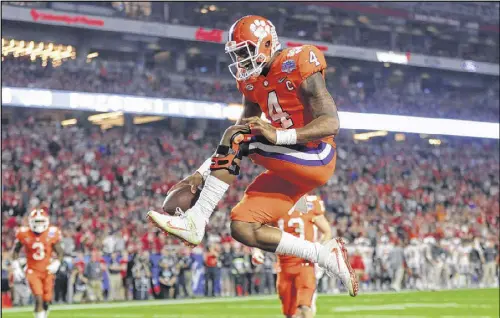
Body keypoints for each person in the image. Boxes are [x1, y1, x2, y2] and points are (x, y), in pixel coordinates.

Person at [147, 15, 357, 297]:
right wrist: (200, 172)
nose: (242, 62)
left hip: (316, 154)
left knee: (240, 137)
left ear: (267, 44)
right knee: (242, 227)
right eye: (237, 55)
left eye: (245, 52)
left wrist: (277, 135)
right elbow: (239, 133)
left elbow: (331, 123)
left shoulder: (300, 61)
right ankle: (324, 254)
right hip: (287, 167)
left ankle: (196, 221)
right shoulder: (251, 81)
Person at [253, 194, 332, 318]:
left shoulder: (310, 203)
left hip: (305, 263)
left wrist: (318, 251)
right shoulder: (275, 206)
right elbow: (259, 232)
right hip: (284, 265)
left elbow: (327, 231)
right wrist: (256, 250)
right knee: (289, 312)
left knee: (305, 305)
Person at [11, 208, 64, 318]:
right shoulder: (24, 233)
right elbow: (15, 251)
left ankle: (42, 314)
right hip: (32, 270)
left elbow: (60, 251)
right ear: (31, 222)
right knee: (38, 297)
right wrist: (16, 267)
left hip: (47, 270)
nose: (39, 224)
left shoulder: (51, 233)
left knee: (47, 300)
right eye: (36, 221)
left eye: (41, 221)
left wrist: (57, 262)